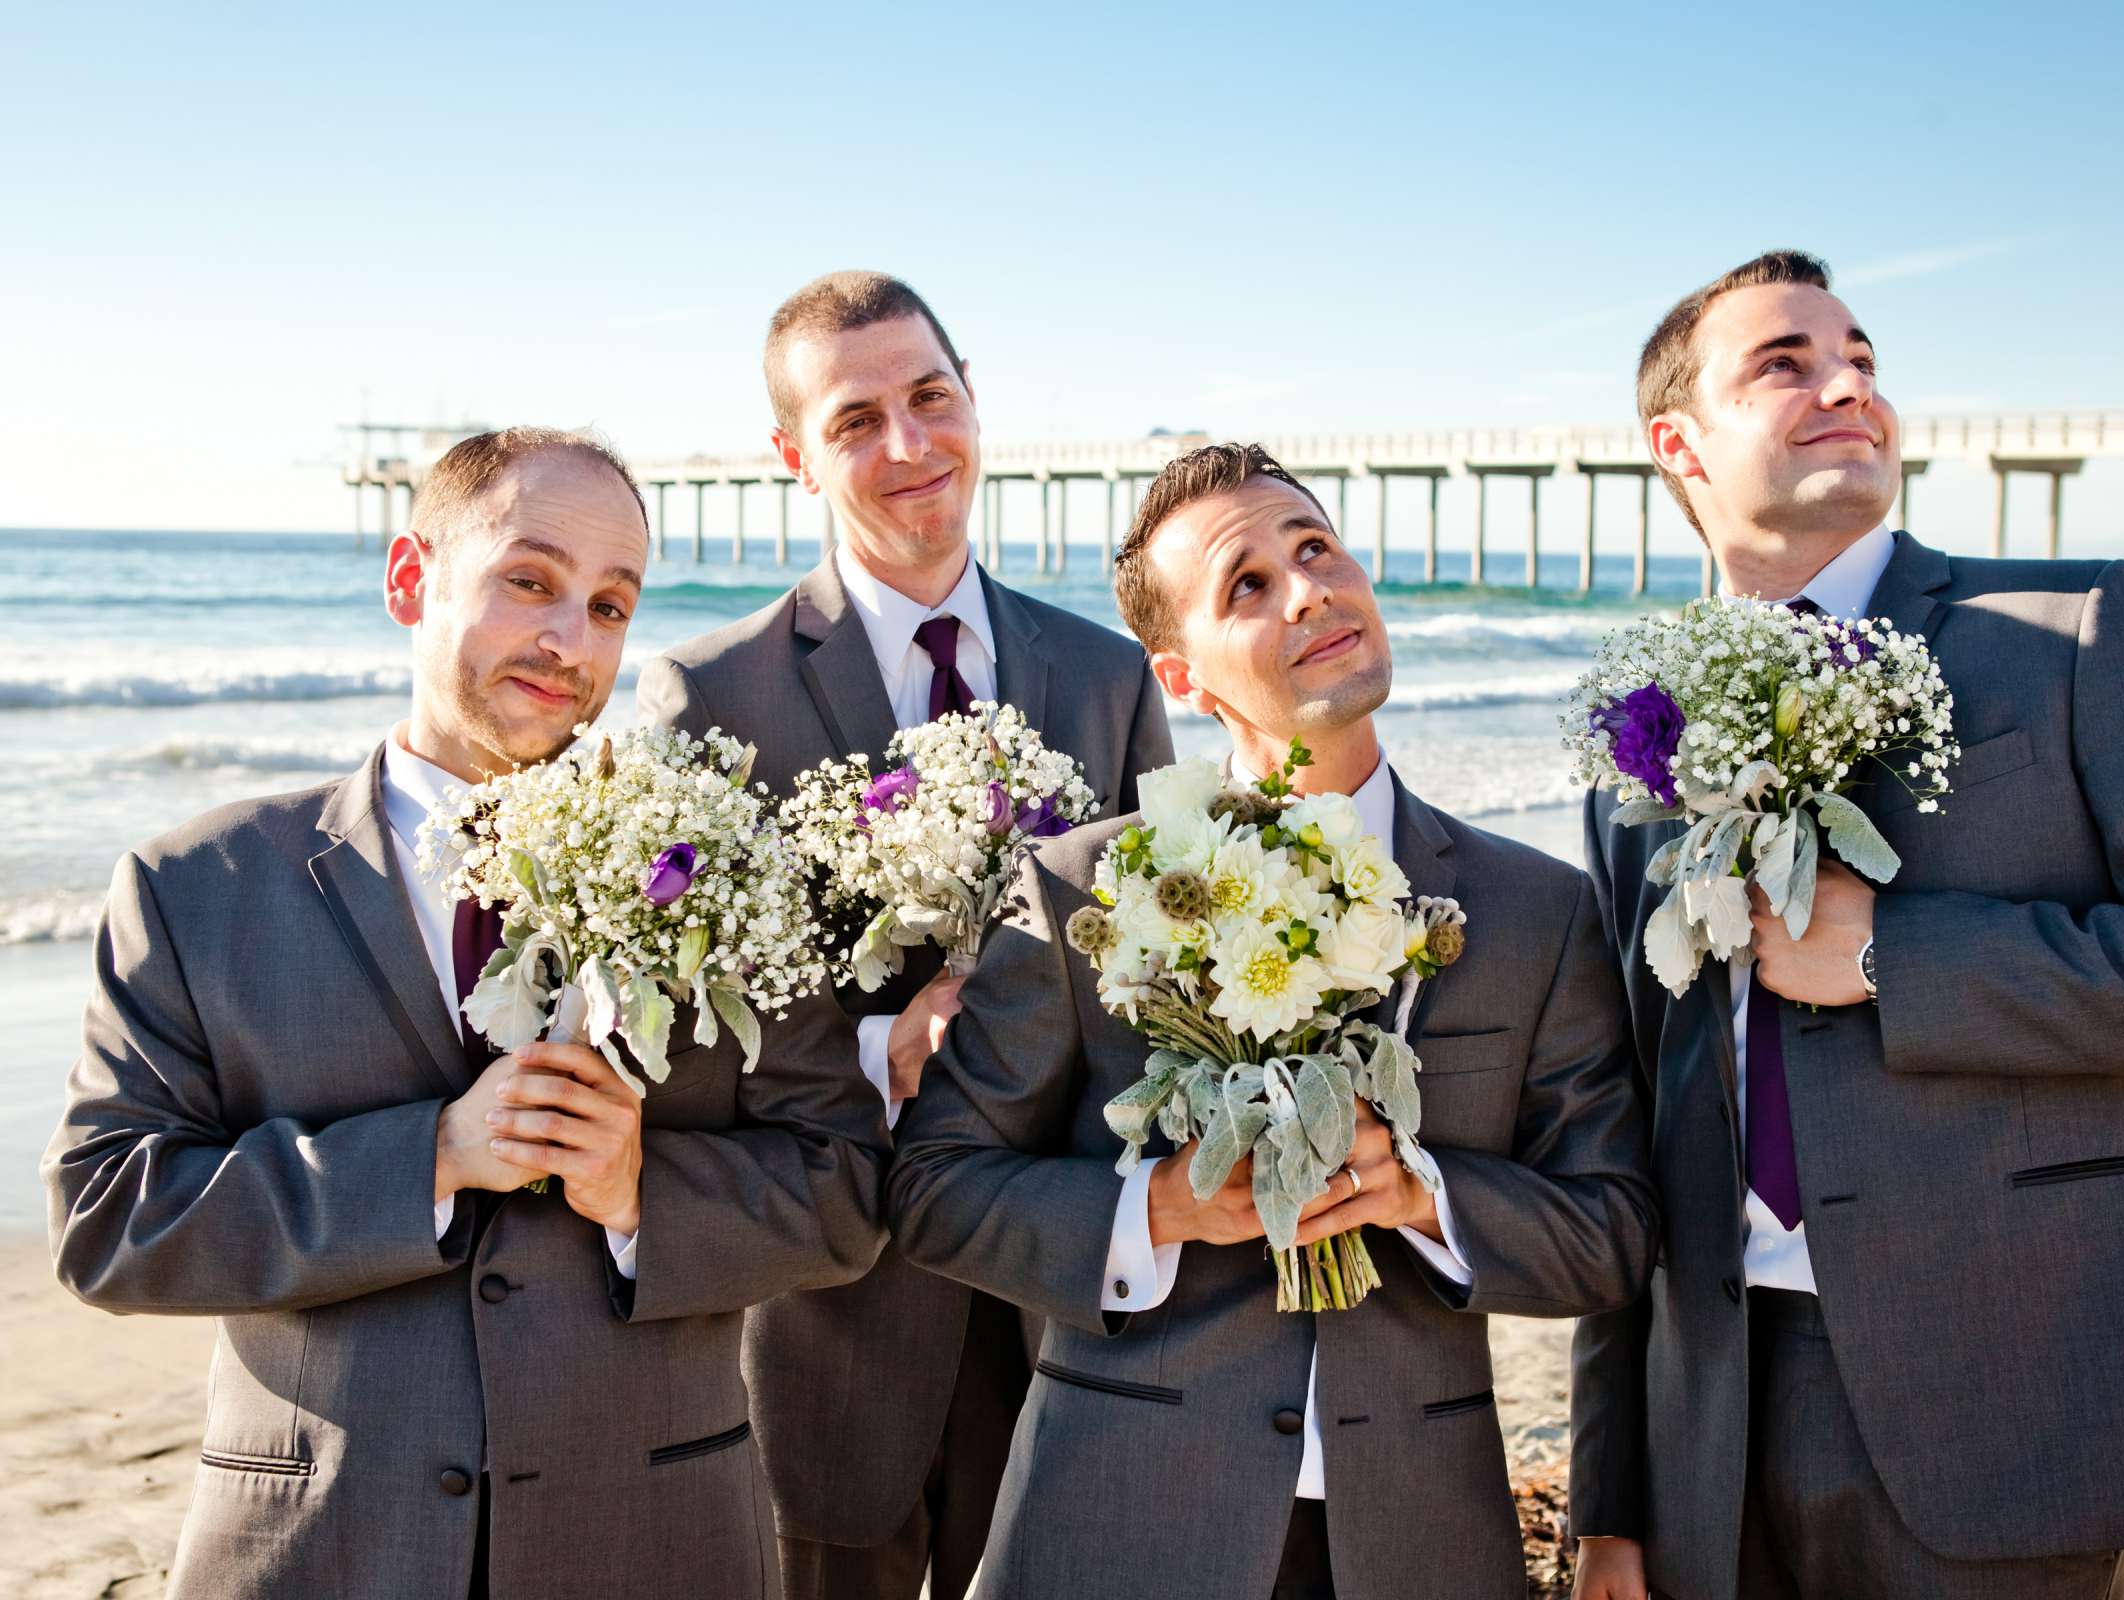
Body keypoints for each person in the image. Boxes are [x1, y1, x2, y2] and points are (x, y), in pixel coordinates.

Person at [1569, 250, 2124, 1600]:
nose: (1847, 384)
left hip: (2015, 1378)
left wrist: (1890, 956)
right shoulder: (1641, 730)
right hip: (1713, 1434)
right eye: (1786, 363)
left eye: (1860, 357)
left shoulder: (2072, 625)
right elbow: (1631, 1127)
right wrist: (1612, 1498)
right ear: (1676, 441)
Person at [44, 427, 891, 1598]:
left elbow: (844, 1192)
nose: (568, 640)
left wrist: (641, 1193)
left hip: (656, 1542)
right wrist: (429, 1159)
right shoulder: (196, 885)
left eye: (608, 606)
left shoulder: (731, 873)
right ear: (411, 578)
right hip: (323, 1545)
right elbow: (106, 1216)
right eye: (529, 582)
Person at [887, 442, 1658, 1599]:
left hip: (1418, 1536)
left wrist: (1423, 1195)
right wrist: (1154, 1209)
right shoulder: (1079, 890)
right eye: (1246, 585)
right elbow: (934, 1186)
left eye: (1314, 548)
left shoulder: (1538, 909)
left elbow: (1611, 1232)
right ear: (1181, 677)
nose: (1308, 591)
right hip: (1119, 1526)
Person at [637, 271, 1174, 1600]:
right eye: (856, 418)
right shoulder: (709, 694)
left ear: (974, 400)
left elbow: (1166, 960)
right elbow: (692, 1041)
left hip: (1061, 1309)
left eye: (931, 398)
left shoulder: (1105, 678)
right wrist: (883, 1045)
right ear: (794, 456)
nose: (908, 446)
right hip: (838, 1327)